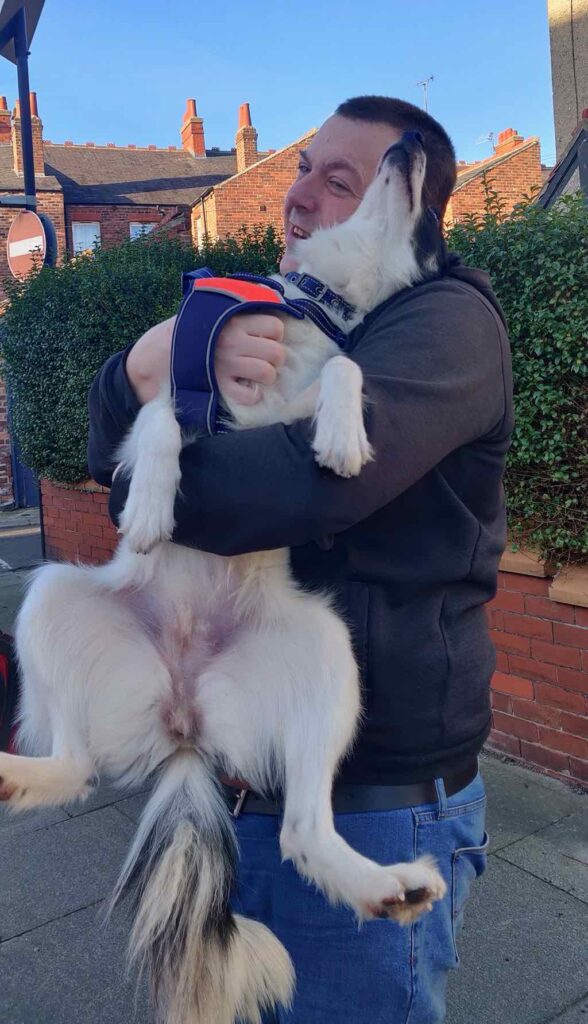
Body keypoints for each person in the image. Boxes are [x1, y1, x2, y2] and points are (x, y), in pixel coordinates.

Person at [87, 96, 513, 1023]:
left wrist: (141, 487)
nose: (298, 196)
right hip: (248, 789)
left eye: (340, 180)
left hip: (378, 798)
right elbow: (115, 431)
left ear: (404, 207)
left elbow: (300, 488)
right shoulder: (293, 309)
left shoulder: (447, 326)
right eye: (302, 169)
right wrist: (141, 367)